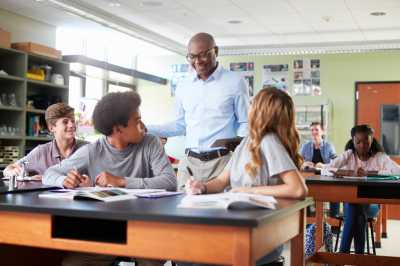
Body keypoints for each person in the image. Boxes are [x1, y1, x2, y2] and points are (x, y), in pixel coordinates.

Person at [43, 91, 175, 266]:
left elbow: (170, 182)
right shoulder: (92, 150)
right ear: (118, 129)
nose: (143, 125)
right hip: (105, 230)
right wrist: (63, 181)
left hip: (146, 227)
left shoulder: (150, 142)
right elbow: (49, 174)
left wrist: (122, 181)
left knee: (151, 261)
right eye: (137, 121)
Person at [185, 87, 308, 265]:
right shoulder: (247, 141)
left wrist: (249, 191)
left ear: (260, 112)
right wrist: (202, 186)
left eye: (252, 104)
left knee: (191, 254)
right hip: (241, 226)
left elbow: (298, 189)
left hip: (259, 236)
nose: (248, 107)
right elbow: (221, 182)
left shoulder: (269, 141)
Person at [147, 32, 250, 190]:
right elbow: (180, 125)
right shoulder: (183, 85)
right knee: (182, 210)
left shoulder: (235, 82)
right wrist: (146, 128)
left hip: (222, 162)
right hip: (189, 163)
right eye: (192, 57)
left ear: (215, 51)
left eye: (203, 55)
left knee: (221, 211)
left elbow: (245, 122)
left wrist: (240, 153)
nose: (198, 62)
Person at [323, 125, 400, 254]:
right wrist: (348, 172)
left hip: (372, 205)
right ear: (353, 141)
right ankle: (359, 257)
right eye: (358, 142)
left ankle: (342, 256)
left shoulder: (379, 156)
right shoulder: (349, 155)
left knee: (354, 211)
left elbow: (397, 171)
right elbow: (326, 169)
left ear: (371, 140)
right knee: (357, 214)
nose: (362, 145)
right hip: (351, 203)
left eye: (366, 141)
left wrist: (370, 173)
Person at [3, 103, 87, 180]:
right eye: (65, 122)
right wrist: (12, 172)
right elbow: (9, 169)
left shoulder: (88, 149)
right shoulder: (41, 152)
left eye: (72, 121)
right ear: (51, 128)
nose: (72, 125)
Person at [300, 121, 338, 216]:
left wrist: (323, 166)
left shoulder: (329, 146)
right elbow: (298, 161)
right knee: (303, 194)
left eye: (316, 129)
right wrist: (304, 163)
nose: (314, 132)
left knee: (336, 195)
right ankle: (307, 223)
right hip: (310, 180)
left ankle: (334, 225)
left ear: (322, 132)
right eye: (312, 130)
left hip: (326, 180)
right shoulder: (305, 146)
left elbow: (336, 162)